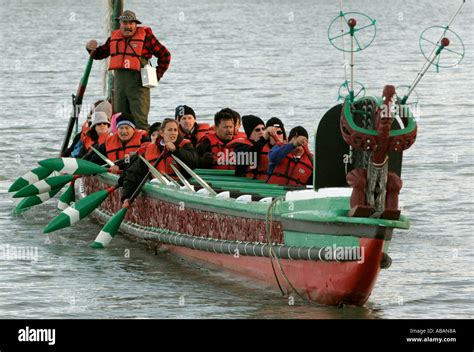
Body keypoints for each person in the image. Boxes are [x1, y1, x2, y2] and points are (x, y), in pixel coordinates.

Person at [86, 10, 171, 130]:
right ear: (120, 24)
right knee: (121, 120)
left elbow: (165, 55)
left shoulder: (146, 37)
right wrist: (90, 48)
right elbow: (99, 54)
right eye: (125, 23)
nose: (128, 26)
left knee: (140, 121)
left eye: (131, 23)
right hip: (120, 88)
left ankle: (145, 145)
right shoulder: (114, 39)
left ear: (136, 24)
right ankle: (122, 147)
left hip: (139, 86)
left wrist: (157, 75)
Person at [120, 118, 198, 207]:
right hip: (160, 186)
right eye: (169, 130)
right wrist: (126, 197)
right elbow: (134, 173)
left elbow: (194, 162)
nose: (173, 133)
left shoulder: (184, 145)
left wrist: (176, 151)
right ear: (161, 133)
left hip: (181, 188)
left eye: (175, 130)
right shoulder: (150, 150)